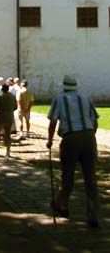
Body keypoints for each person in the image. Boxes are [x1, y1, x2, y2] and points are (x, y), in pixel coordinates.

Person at [46, 75, 100, 228]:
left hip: (71, 138)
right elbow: (95, 121)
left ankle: (63, 205)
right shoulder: (86, 98)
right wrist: (90, 137)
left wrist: (50, 140)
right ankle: (93, 215)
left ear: (64, 87)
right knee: (90, 177)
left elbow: (53, 121)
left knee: (68, 174)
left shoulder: (59, 98)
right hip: (89, 136)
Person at [0, 84, 17, 157]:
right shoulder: (12, 96)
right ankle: (8, 152)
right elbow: (15, 107)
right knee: (8, 134)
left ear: (2, 89)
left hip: (1, 117)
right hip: (10, 117)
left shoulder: (0, 97)